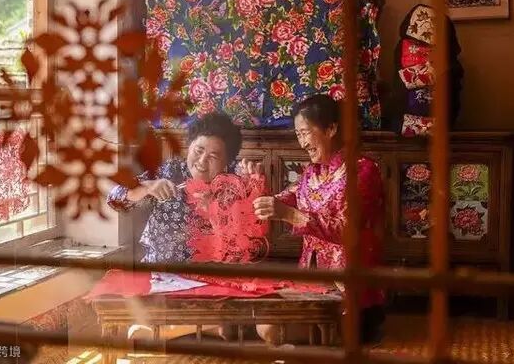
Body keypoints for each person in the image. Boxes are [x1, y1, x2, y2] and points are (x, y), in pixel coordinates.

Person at [243, 94, 386, 345]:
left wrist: (290, 214)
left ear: (331, 129)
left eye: (305, 132)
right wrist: (255, 185)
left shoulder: (363, 170)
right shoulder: (311, 173)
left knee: (269, 329)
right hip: (313, 286)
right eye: (298, 134)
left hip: (350, 292)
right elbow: (282, 200)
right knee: (259, 319)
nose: (302, 142)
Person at [107, 112, 243, 340]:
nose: (202, 161)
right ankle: (180, 328)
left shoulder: (234, 184)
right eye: (198, 150)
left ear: (226, 162)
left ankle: (166, 331)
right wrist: (147, 187)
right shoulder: (169, 172)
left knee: (224, 326)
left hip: (209, 278)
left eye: (213, 156)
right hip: (162, 274)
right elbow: (115, 198)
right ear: (189, 146)